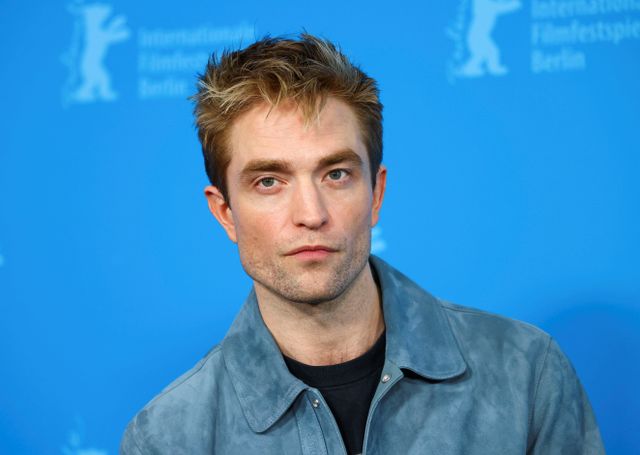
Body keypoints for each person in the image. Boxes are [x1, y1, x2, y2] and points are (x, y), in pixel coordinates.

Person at [120, 33, 605, 454]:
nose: (311, 214)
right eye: (269, 181)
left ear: (376, 194)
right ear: (225, 212)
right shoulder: (167, 438)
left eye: (335, 174)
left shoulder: (526, 374)